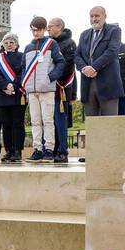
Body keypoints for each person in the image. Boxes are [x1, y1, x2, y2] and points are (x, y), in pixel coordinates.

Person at [23, 17, 67, 162]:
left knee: (48, 120)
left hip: (47, 89)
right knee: (35, 121)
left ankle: (49, 149)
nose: (35, 33)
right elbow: (24, 68)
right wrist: (25, 83)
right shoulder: (28, 47)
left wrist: (50, 77)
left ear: (43, 29)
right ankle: (37, 149)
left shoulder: (51, 44)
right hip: (32, 90)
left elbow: (61, 62)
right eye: (33, 30)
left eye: (38, 30)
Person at [76, 6, 123, 118]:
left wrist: (93, 68)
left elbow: (112, 51)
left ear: (104, 16)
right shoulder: (84, 34)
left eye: (97, 16)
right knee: (92, 125)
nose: (94, 19)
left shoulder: (114, 30)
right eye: (91, 16)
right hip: (88, 84)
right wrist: (84, 68)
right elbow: (77, 55)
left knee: (109, 124)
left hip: (108, 84)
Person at [47, 18, 77, 163]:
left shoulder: (69, 43)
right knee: (48, 121)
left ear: (59, 27)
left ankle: (62, 151)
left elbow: (68, 66)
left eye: (50, 27)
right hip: (47, 88)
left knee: (60, 121)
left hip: (61, 87)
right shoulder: (48, 43)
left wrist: (50, 76)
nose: (48, 29)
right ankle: (51, 149)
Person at [0, 34, 26, 162]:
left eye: (12, 42)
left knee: (18, 124)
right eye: (6, 42)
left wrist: (14, 85)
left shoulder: (22, 57)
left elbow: (23, 73)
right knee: (6, 125)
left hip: (18, 94)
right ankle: (9, 151)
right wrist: (5, 85)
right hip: (3, 94)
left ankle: (17, 151)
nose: (9, 44)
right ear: (3, 44)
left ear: (16, 44)